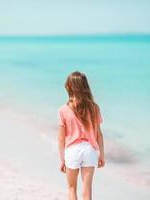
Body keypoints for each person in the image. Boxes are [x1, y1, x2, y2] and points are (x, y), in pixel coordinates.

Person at [58, 71, 105, 200]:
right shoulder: (93, 108)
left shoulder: (63, 110)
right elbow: (99, 135)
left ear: (69, 87)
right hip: (90, 150)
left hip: (72, 151)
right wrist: (102, 155)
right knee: (87, 190)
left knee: (72, 188)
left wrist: (62, 159)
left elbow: (61, 139)